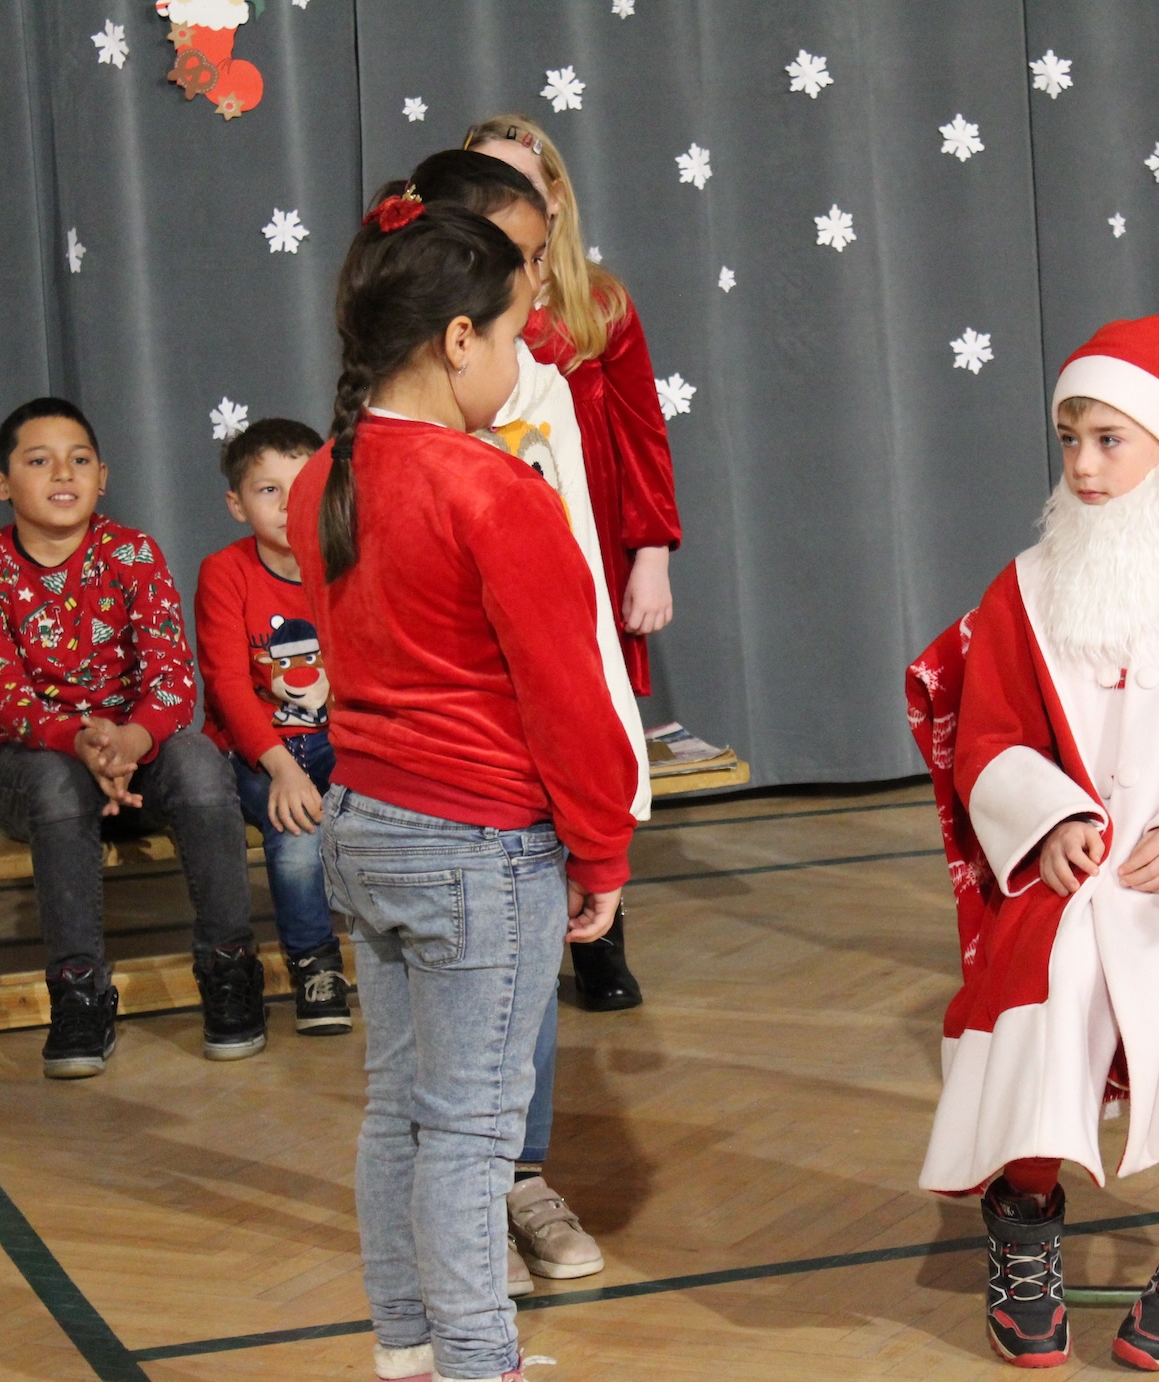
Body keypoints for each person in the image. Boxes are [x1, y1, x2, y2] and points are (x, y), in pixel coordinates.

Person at [289, 197, 635, 1382]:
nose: (524, 357)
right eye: (514, 334)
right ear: (454, 339)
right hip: (477, 844)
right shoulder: (491, 489)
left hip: (364, 826)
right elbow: (567, 697)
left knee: (399, 1109)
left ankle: (411, 1348)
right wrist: (601, 849)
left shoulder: (322, 476)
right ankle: (479, 1363)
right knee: (473, 1133)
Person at [924, 313, 1159, 1371]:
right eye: (1070, 440)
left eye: (1109, 441)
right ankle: (1024, 1215)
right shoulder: (1024, 587)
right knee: (1041, 975)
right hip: (1074, 861)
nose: (1084, 467)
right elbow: (991, 736)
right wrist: (1048, 816)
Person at [391, 147, 654, 1295]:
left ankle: (517, 1175)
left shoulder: (535, 390)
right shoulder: (389, 425)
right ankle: (455, 1213)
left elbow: (574, 594)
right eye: (519, 257)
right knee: (441, 1008)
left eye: (544, 255)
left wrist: (608, 769)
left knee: (523, 976)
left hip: (529, 764)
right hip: (433, 774)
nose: (539, 281)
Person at [0, 397, 266, 1079]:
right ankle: (79, 993)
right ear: (1, 483)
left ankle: (229, 968)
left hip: (133, 756)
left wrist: (131, 741)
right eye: (39, 461)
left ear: (103, 477)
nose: (63, 473)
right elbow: (5, 696)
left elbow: (172, 678)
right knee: (56, 780)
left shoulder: (132, 553)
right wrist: (81, 742)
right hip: (34, 766)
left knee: (200, 760)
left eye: (80, 459)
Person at [466, 112, 681, 1010]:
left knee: (585, 721)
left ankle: (602, 930)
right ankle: (515, 924)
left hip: (584, 541)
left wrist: (651, 553)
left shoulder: (599, 305)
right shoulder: (456, 304)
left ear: (553, 197)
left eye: (522, 181)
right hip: (490, 543)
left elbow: (641, 432)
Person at [194, 416, 353, 1035]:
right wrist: (282, 767)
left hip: (339, 740)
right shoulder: (225, 572)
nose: (289, 505)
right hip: (258, 751)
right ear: (237, 505)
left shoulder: (344, 563)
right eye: (269, 491)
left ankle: (409, 947)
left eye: (303, 486)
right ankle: (315, 964)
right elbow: (229, 686)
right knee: (296, 828)